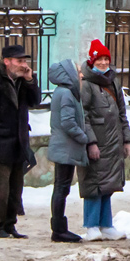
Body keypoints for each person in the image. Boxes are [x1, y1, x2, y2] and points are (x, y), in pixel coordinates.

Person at [79, 40, 130, 241]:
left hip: (113, 143)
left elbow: (122, 113)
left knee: (108, 185)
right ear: (92, 61)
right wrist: (90, 142)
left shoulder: (113, 82)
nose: (103, 62)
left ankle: (106, 225)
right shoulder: (87, 85)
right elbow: (83, 116)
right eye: (99, 59)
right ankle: (91, 225)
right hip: (97, 145)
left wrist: (126, 140)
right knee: (94, 184)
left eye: (105, 58)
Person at [0, 44, 42, 239]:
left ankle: (10, 224)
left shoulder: (22, 80)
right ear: (7, 62)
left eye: (25, 61)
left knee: (15, 187)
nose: (23, 64)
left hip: (18, 141)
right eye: (19, 61)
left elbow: (35, 101)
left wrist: (30, 80)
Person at [47, 59, 89, 243]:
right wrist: (84, 138)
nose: (81, 75)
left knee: (61, 188)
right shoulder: (65, 93)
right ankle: (58, 229)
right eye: (77, 71)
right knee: (61, 188)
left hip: (64, 147)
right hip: (65, 148)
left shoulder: (64, 92)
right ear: (68, 73)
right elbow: (68, 122)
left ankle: (59, 227)